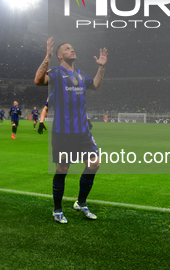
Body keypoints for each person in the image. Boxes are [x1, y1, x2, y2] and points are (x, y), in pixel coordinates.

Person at [34, 37, 108, 224]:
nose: (72, 50)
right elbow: (38, 80)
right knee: (62, 169)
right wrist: (47, 56)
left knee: (94, 164)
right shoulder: (57, 73)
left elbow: (97, 86)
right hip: (63, 132)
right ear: (60, 55)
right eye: (67, 49)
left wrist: (101, 66)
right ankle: (57, 209)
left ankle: (81, 203)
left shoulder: (82, 75)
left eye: (72, 48)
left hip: (83, 131)